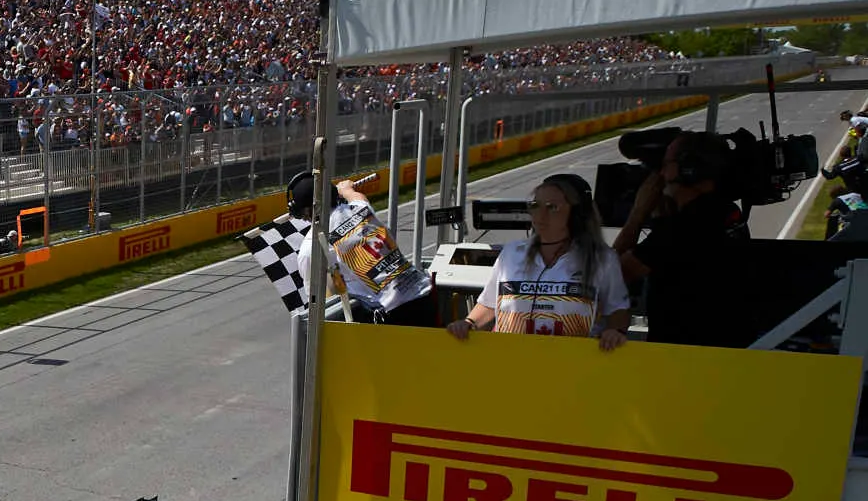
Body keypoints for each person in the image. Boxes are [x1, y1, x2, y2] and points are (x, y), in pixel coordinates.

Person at [447, 174, 630, 350]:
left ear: (577, 215)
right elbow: (489, 303)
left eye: (552, 207)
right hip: (510, 360)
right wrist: (469, 323)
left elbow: (618, 310)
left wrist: (614, 331)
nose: (540, 215)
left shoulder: (602, 259)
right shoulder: (511, 253)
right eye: (535, 205)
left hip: (574, 365)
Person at [614, 132, 751, 347]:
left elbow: (613, 276)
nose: (661, 172)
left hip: (683, 350)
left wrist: (638, 214)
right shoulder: (725, 211)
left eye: (666, 164)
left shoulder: (684, 227)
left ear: (689, 169)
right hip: (722, 342)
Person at [294, 171, 435, 324]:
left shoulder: (311, 247)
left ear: (306, 212)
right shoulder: (361, 209)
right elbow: (359, 197)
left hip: (393, 312)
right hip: (424, 293)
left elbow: (317, 303)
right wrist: (347, 190)